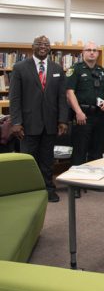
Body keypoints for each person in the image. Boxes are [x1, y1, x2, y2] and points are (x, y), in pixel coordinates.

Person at [9, 35, 68, 202]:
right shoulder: (20, 67)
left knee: (48, 160)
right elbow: (15, 97)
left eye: (46, 44)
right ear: (32, 47)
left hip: (50, 123)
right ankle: (28, 191)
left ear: (50, 48)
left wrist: (62, 120)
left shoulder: (57, 68)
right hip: (27, 124)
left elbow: (62, 98)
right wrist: (16, 122)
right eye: (39, 44)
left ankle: (48, 189)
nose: (43, 46)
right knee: (29, 159)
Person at [66, 41, 104, 172]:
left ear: (98, 53)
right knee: (80, 150)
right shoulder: (75, 69)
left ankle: (94, 179)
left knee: (97, 149)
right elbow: (70, 93)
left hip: (100, 116)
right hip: (82, 115)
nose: (92, 52)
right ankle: (76, 184)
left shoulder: (103, 71)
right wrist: (78, 112)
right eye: (89, 50)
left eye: (94, 50)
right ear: (83, 52)